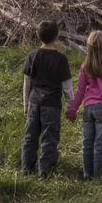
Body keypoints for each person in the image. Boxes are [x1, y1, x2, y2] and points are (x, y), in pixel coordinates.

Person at [66, 30, 102, 180]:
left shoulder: (85, 67)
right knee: (100, 144)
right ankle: (97, 177)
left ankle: (87, 175)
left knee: (87, 143)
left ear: (90, 48)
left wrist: (73, 110)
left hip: (88, 108)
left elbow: (79, 92)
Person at [21, 20, 72, 177]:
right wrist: (72, 105)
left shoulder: (32, 56)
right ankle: (44, 170)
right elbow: (67, 87)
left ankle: (26, 168)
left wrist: (25, 105)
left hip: (34, 102)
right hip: (52, 104)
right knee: (49, 137)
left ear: (37, 35)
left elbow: (26, 84)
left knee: (30, 136)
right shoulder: (61, 60)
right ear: (57, 36)